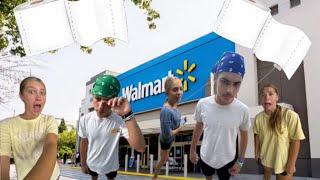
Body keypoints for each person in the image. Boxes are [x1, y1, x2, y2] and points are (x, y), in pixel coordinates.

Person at [189, 52, 251, 180]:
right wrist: (192, 149)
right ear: (216, 77)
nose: (229, 90)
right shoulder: (203, 104)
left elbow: (244, 136)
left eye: (236, 84)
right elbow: (198, 127)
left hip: (228, 159)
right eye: (225, 81)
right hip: (206, 156)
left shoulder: (243, 110)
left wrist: (240, 161)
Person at [78, 75, 145, 180]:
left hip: (111, 165)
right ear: (93, 96)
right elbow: (84, 142)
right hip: (92, 163)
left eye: (106, 101)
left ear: (113, 101)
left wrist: (128, 115)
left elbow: (140, 148)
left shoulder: (120, 120)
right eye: (98, 99)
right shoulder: (85, 120)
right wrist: (83, 164)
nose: (100, 107)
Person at [0, 76, 60, 180]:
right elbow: (3, 159)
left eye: (43, 93)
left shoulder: (49, 121)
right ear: (21, 96)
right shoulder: (6, 125)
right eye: (32, 92)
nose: (39, 97)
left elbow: (51, 146)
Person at [253, 84, 305, 180]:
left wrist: (291, 163)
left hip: (283, 161)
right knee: (266, 175)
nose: (266, 97)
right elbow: (257, 135)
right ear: (260, 99)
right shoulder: (258, 118)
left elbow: (296, 140)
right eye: (263, 95)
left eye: (270, 94)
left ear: (277, 97)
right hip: (266, 158)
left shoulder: (290, 115)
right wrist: (256, 152)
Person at [152, 76, 187, 180]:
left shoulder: (174, 105)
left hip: (170, 138)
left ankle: (166, 157)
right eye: (175, 90)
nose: (179, 92)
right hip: (166, 140)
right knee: (162, 160)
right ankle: (155, 177)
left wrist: (181, 121)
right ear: (167, 92)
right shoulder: (166, 110)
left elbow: (174, 121)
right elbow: (168, 134)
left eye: (181, 89)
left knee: (165, 157)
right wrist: (181, 126)